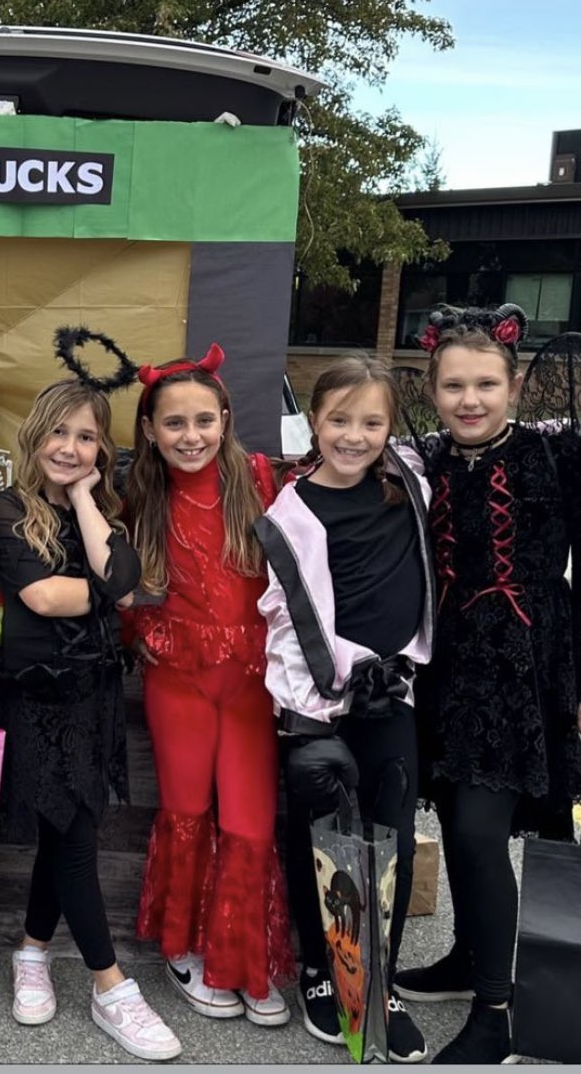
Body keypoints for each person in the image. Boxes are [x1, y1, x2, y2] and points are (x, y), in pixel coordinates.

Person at [392, 305, 581, 1064]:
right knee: (461, 824)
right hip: (447, 664)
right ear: (433, 390)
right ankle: (468, 959)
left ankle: (497, 1013)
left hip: (523, 669)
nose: (469, 400)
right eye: (454, 386)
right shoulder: (423, 462)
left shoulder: (556, 457)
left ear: (513, 387)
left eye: (485, 385)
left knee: (477, 830)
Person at [0, 378, 183, 1062]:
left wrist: (86, 499)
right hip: (39, 700)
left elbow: (120, 580)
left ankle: (31, 951)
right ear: (35, 435)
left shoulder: (103, 513)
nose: (69, 447)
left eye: (87, 437)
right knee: (73, 840)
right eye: (59, 432)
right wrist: (111, 591)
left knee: (68, 826)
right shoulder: (7, 507)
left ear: (102, 450)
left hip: (93, 696)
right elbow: (45, 595)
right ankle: (110, 985)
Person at [253, 355, 434, 1063]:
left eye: (371, 422)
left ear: (390, 428)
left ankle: (378, 980)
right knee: (321, 837)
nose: (354, 436)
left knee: (392, 836)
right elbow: (287, 616)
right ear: (314, 422)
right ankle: (322, 970)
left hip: (392, 696)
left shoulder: (407, 482)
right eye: (339, 420)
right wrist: (308, 709)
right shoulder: (290, 514)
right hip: (321, 702)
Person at [123, 346, 294, 1029]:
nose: (190, 435)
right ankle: (184, 947)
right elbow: (121, 585)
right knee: (186, 810)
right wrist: (137, 629)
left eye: (203, 420)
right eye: (174, 423)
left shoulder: (260, 479)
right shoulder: (141, 497)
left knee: (249, 819)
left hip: (251, 680)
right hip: (178, 678)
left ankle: (244, 955)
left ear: (225, 419)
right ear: (149, 430)